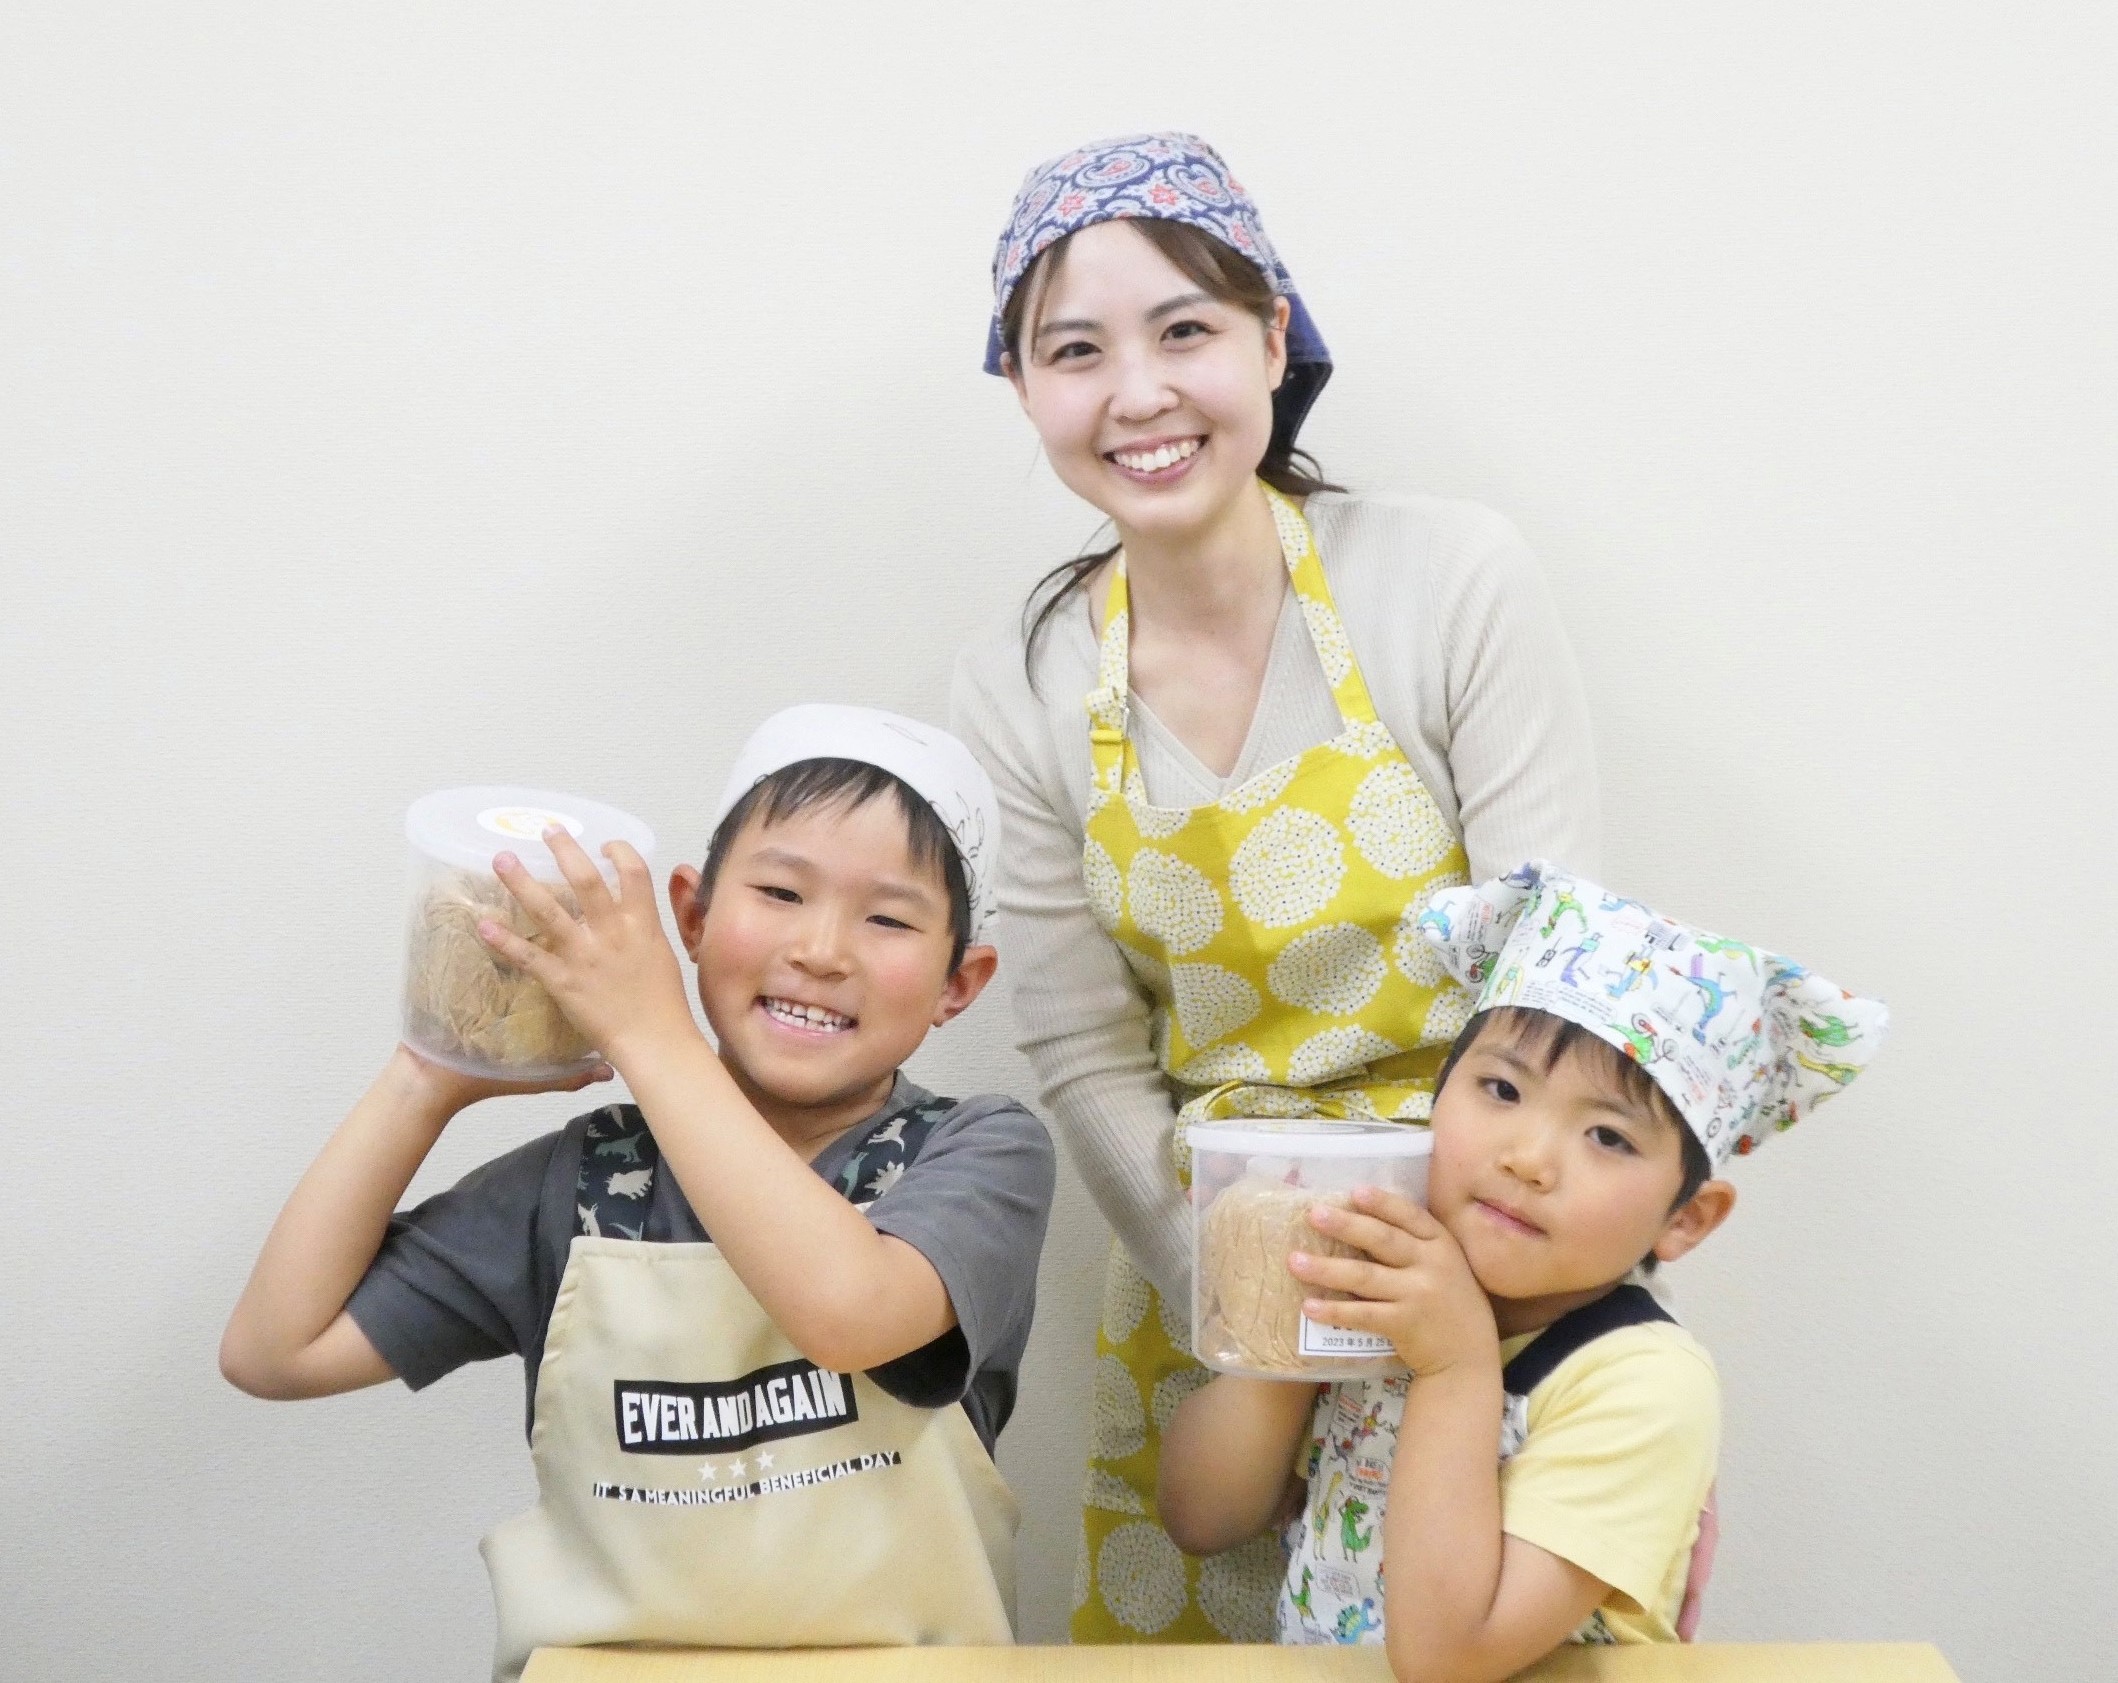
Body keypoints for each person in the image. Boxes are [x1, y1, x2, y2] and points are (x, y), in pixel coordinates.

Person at [950, 131, 1601, 1641]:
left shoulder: (1445, 579)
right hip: (1209, 1294)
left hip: (1493, 1268)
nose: (1137, 392)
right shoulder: (1022, 683)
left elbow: (1554, 967)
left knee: (1470, 1643)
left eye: (1184, 328)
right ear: (1024, 390)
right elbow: (1083, 1050)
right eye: (1073, 350)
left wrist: (1444, 1285)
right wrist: (1249, 1287)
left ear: (1271, 337)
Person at [219, 705, 1056, 1681]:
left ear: (962, 980)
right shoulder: (577, 1186)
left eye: (887, 917)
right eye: (781, 891)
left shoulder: (978, 1153)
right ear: (691, 919)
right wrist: (428, 1075)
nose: (823, 948)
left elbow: (849, 1313)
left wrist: (651, 1036)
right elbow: (275, 1351)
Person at [1157, 862, 1888, 1677]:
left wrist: (1457, 1361)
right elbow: (1200, 1515)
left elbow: (1448, 1658)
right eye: (1501, 1088)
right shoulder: (1394, 1288)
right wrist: (1299, 1317)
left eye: (1608, 1136)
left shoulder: (1643, 1383)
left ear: (1687, 1217)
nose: (1529, 1158)